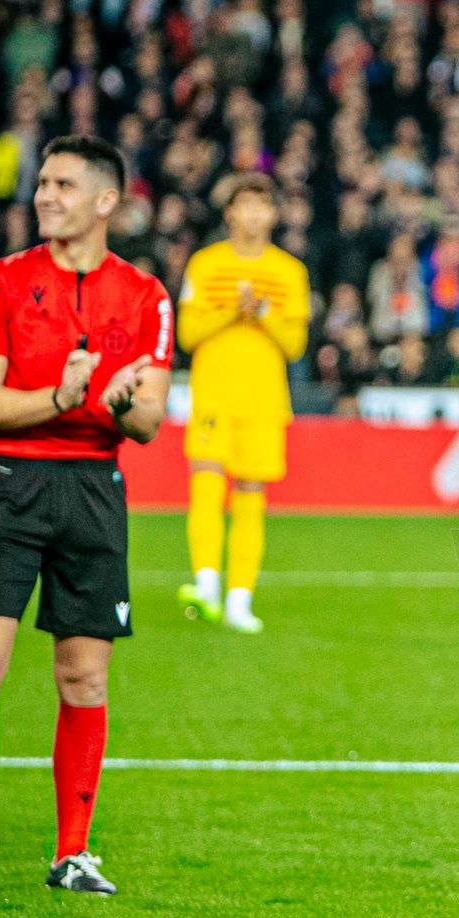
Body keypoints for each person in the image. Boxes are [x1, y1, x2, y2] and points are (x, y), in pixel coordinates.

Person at [0, 136, 172, 901]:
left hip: (94, 489)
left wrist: (123, 403)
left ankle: (73, 854)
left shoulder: (145, 295)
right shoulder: (0, 284)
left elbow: (149, 421)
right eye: (43, 183)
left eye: (63, 184)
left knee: (84, 675)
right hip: (7, 483)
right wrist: (62, 400)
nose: (45, 195)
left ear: (105, 201)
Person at [173, 172, 311, 634]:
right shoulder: (205, 265)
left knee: (251, 497)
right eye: (244, 205)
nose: (253, 214)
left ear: (273, 214)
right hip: (213, 394)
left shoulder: (289, 272)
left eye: (262, 206)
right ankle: (207, 584)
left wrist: (263, 313)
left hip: (264, 400)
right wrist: (233, 310)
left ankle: (239, 599)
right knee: (207, 485)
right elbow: (188, 335)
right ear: (229, 213)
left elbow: (294, 344)